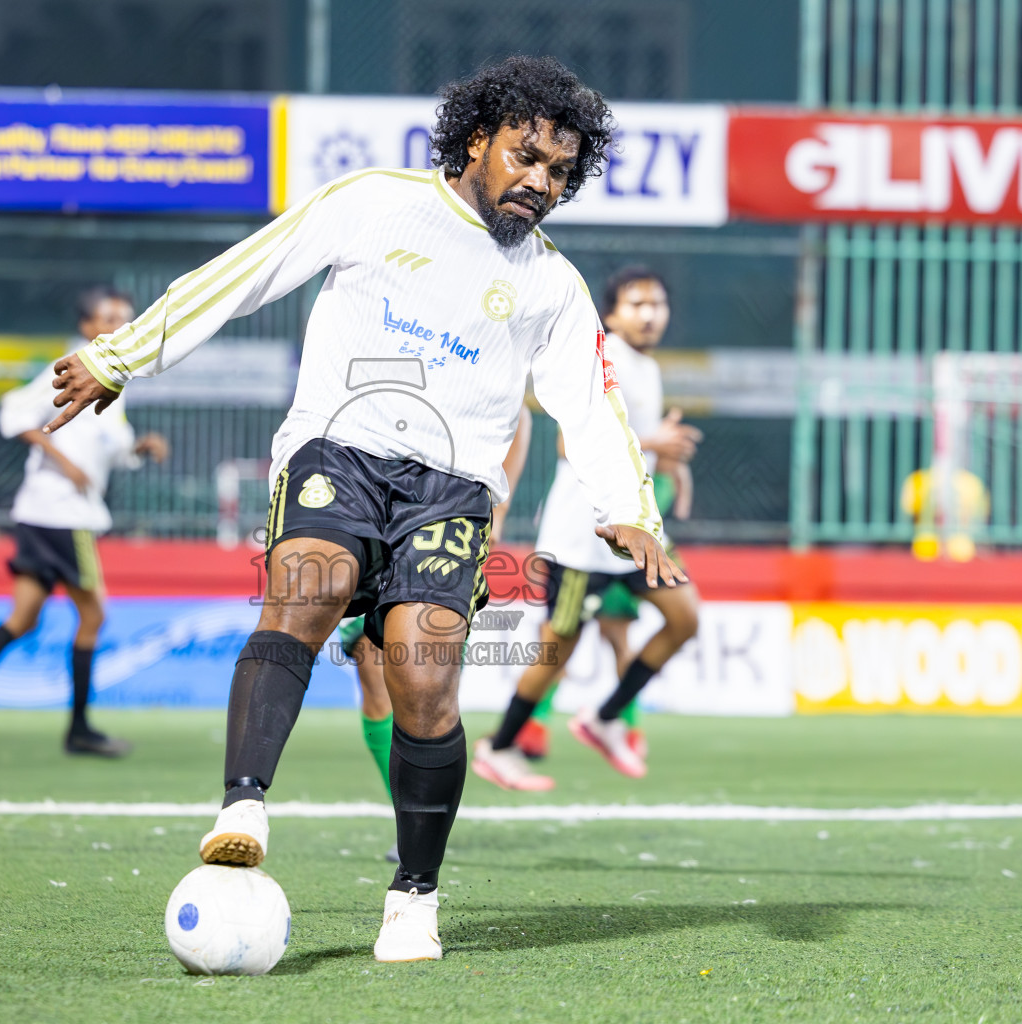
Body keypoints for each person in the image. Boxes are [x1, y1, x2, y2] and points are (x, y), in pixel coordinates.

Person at [45, 57, 683, 963]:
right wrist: (123, 355)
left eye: (559, 172)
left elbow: (591, 402)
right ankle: (243, 805)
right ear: (476, 140)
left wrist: (631, 506)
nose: (540, 182)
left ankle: (414, 899)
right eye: (525, 156)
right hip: (337, 453)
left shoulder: (555, 286)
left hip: (451, 491)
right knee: (311, 592)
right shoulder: (374, 203)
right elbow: (245, 272)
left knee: (424, 678)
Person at [472, 267, 702, 791]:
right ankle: (500, 745)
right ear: (614, 312)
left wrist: (669, 462)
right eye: (637, 303)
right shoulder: (607, 354)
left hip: (633, 534)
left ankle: (606, 717)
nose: (650, 313)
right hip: (583, 538)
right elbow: (567, 444)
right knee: (558, 650)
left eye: (658, 303)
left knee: (685, 616)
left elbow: (639, 446)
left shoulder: (646, 366)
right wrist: (654, 443)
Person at [0, 286, 169, 758]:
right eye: (110, 317)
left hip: (42, 514)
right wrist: (60, 461)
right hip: (61, 515)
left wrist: (138, 450)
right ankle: (78, 730)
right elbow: (13, 412)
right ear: (87, 326)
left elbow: (105, 448)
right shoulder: (71, 365)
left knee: (24, 618)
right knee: (93, 614)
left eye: (126, 318)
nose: (121, 325)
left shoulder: (111, 378)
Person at [340, 404, 533, 864]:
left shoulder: (478, 360)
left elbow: (518, 415)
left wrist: (496, 510)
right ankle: (406, 817)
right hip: (372, 509)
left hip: (441, 521)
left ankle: (419, 823)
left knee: (424, 684)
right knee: (372, 677)